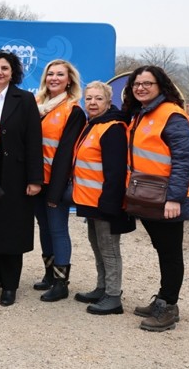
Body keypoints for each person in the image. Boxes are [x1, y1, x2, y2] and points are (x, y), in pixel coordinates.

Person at [122, 66, 189, 332]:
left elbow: (184, 159)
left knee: (170, 252)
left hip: (166, 198)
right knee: (162, 250)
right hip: (147, 195)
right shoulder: (141, 114)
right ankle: (163, 298)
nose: (140, 88)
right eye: (136, 84)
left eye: (147, 83)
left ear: (160, 85)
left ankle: (169, 307)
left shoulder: (171, 115)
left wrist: (174, 198)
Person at [0, 50, 44, 306]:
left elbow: (34, 141)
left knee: (10, 229)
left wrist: (35, 179)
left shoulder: (25, 100)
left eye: (5, 68)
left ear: (13, 72)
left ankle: (9, 286)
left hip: (14, 173)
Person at [71, 81, 132, 315]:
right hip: (90, 201)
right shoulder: (94, 124)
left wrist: (110, 203)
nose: (93, 103)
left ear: (109, 101)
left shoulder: (113, 128)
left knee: (109, 249)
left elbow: (115, 171)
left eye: (98, 98)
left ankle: (114, 296)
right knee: (97, 246)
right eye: (89, 99)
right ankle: (103, 287)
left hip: (105, 202)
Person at [32, 60, 86, 302]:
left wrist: (55, 190)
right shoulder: (35, 104)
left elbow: (65, 154)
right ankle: (49, 274)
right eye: (50, 74)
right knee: (44, 228)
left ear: (69, 80)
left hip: (56, 182)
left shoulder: (73, 111)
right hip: (36, 180)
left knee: (57, 229)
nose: (54, 78)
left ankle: (61, 283)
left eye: (60, 75)